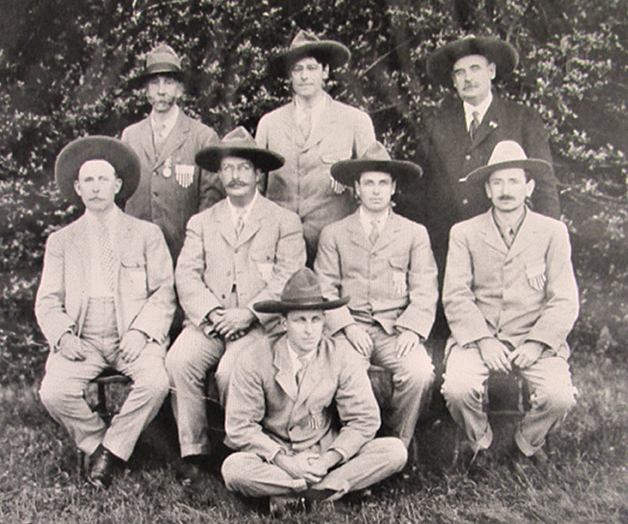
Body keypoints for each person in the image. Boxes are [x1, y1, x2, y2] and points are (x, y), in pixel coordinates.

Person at [165, 126, 306, 481]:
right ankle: (195, 452)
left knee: (232, 371)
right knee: (180, 360)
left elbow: (288, 277)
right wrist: (212, 313)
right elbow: (187, 275)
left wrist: (248, 313)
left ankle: (241, 449)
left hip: (258, 325)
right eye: (228, 169)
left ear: (259, 174)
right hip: (210, 322)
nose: (235, 176)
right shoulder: (202, 222)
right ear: (219, 174)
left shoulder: (283, 222)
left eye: (243, 168)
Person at [37, 136, 175, 488]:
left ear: (117, 186)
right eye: (88, 181)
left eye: (103, 179)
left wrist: (141, 332)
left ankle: (110, 454)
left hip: (131, 333)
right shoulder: (62, 241)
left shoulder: (146, 234)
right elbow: (48, 300)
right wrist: (63, 336)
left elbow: (163, 291)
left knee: (156, 382)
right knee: (53, 391)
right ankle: (103, 444)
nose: (96, 187)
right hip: (83, 336)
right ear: (77, 189)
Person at [222, 268, 407, 517]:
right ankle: (325, 493)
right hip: (277, 456)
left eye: (316, 320)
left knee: (394, 451)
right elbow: (241, 426)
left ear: (324, 321)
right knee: (234, 469)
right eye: (300, 320)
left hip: (324, 453)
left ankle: (293, 496)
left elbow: (364, 419)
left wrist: (327, 461)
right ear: (284, 322)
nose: (309, 330)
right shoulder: (254, 358)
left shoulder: (341, 355)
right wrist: (287, 462)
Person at [441, 140, 579, 469]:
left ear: (528, 186)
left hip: (533, 339)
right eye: (498, 182)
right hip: (479, 338)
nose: (506, 190)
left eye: (514, 181)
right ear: (487, 190)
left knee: (560, 395)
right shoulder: (464, 233)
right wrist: (483, 340)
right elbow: (455, 294)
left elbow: (564, 299)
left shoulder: (552, 232)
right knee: (458, 388)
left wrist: (537, 342)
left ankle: (526, 446)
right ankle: (481, 444)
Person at [314, 142, 438, 449]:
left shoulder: (413, 233)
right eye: (368, 183)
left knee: (420, 372)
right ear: (356, 188)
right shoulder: (335, 233)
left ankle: (397, 443)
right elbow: (325, 289)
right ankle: (353, 446)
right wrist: (347, 327)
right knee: (346, 373)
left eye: (383, 183)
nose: (376, 190)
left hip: (395, 329)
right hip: (350, 328)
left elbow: (425, 287)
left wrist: (411, 328)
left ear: (394, 188)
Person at [412, 35, 561, 278]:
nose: (468, 78)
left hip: (506, 248)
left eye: (475, 69)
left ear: (491, 71)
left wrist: (540, 250)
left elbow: (544, 188)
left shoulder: (522, 119)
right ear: (453, 80)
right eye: (459, 73)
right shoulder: (437, 125)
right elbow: (417, 194)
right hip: (446, 253)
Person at [256, 30, 377, 265]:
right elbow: (256, 190)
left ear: (326, 72)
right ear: (289, 76)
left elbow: (374, 185)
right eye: (297, 69)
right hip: (280, 247)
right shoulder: (269, 123)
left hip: (336, 249)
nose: (304, 76)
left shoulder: (355, 121)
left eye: (311, 68)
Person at [122, 44, 220, 262]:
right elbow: (121, 197)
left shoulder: (202, 137)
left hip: (184, 255)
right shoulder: (130, 136)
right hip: (138, 256)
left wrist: (195, 252)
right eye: (154, 83)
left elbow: (210, 202)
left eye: (169, 82)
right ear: (146, 90)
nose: (162, 90)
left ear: (180, 89)